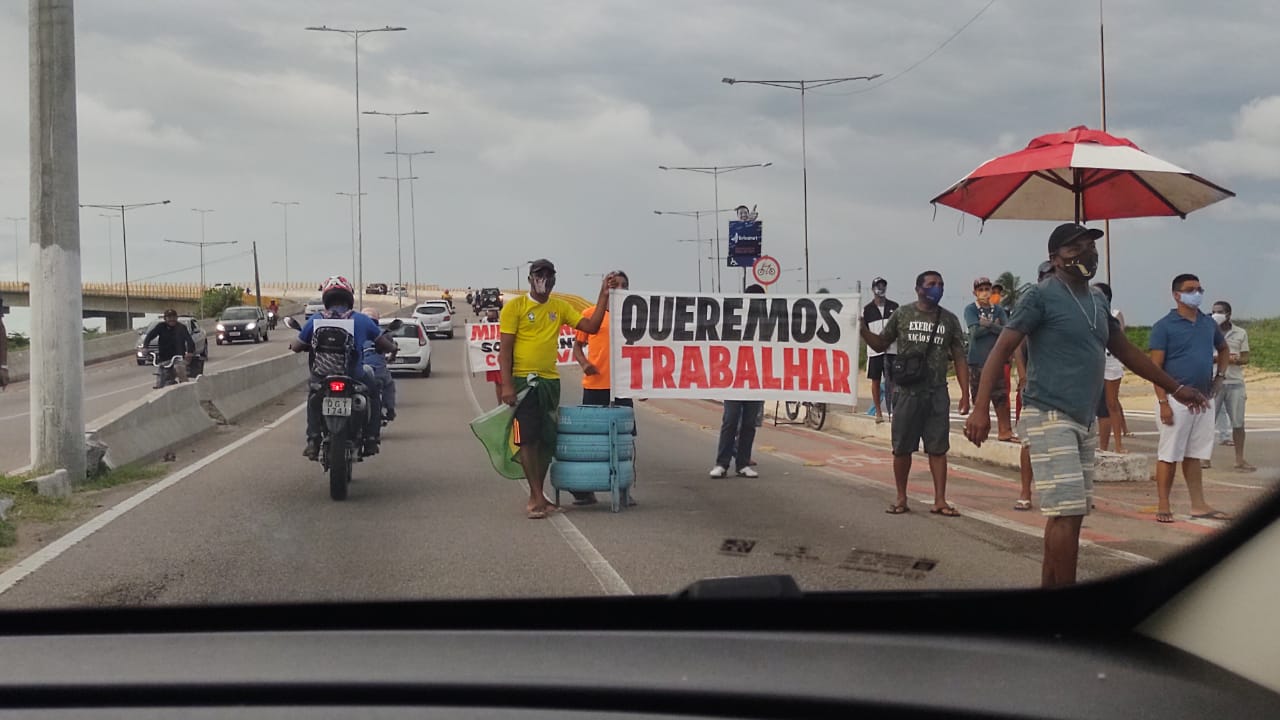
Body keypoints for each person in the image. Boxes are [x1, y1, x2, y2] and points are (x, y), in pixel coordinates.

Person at [965, 224, 1209, 587]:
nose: (1086, 253)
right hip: (1049, 412)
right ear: (1054, 258)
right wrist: (980, 407)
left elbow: (1125, 351)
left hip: (1084, 418)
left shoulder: (1097, 300)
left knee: (1072, 514)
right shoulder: (1040, 295)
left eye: (1091, 246)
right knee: (1067, 511)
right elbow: (1002, 346)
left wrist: (1175, 387)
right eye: (1075, 247)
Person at [499, 260, 617, 519]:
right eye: (539, 275)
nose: (544, 279)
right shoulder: (515, 307)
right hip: (524, 383)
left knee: (546, 439)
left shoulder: (559, 307)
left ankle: (539, 495)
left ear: (554, 280)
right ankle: (535, 498)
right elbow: (505, 350)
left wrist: (603, 294)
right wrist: (506, 384)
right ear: (530, 279)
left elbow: (592, 327)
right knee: (527, 439)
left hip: (550, 382)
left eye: (549, 275)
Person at [860, 270, 970, 517]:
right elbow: (880, 343)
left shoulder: (949, 320)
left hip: (937, 393)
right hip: (907, 392)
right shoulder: (903, 314)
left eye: (941, 284)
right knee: (901, 448)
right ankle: (901, 497)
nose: (937, 288)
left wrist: (966, 393)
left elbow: (960, 357)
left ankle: (940, 500)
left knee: (938, 449)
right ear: (918, 288)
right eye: (932, 284)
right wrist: (861, 330)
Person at [1149, 274, 1232, 523]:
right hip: (1176, 400)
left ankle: (1198, 504)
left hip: (1203, 398)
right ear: (1177, 295)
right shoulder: (1164, 326)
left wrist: (1220, 377)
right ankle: (1164, 504)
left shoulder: (1207, 324)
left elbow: (1224, 349)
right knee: (1169, 454)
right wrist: (1164, 403)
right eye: (1190, 289)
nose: (1197, 293)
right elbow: (1155, 368)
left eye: (1199, 289)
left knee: (1194, 454)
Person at [289, 276, 395, 459]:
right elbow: (384, 344)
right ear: (349, 298)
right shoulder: (361, 320)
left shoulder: (316, 319)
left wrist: (299, 345)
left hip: (322, 376)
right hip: (355, 374)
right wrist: (393, 348)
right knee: (374, 394)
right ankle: (371, 438)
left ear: (326, 298)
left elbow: (297, 346)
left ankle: (313, 441)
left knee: (313, 398)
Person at [570, 270, 638, 506]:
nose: (618, 288)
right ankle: (586, 490)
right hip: (595, 386)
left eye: (623, 285)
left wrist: (644, 383)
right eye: (614, 285)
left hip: (622, 388)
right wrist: (585, 364)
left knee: (624, 441)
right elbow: (577, 347)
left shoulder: (635, 316)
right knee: (592, 442)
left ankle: (623, 489)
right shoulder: (591, 315)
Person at [710, 283, 768, 479]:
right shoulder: (733, 320)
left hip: (756, 379)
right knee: (730, 419)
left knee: (750, 422)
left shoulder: (767, 324)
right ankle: (722, 463)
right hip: (734, 379)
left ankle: (743, 463)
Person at [964, 276, 1014, 441]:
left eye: (987, 289)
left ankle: (1005, 430)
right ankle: (979, 430)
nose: (985, 293)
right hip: (977, 360)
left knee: (1000, 396)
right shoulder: (970, 309)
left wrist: (989, 325)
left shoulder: (998, 310)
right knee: (979, 397)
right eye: (981, 290)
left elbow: (1006, 330)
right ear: (975, 292)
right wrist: (994, 326)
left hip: (995, 359)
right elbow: (975, 332)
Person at [1211, 301, 1254, 472]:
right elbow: (1204, 356)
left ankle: (1239, 459)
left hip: (1235, 383)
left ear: (1228, 314)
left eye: (1219, 312)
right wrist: (1222, 358)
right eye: (1213, 311)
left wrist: (1233, 359)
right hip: (1214, 382)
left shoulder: (1240, 333)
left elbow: (1245, 358)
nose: (1215, 315)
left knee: (1238, 423)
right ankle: (1204, 458)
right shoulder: (1209, 332)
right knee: (1207, 423)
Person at [1092, 283, 1128, 453]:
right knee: (1098, 405)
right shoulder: (1088, 314)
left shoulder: (1115, 314)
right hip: (1096, 361)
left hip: (1111, 361)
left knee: (1111, 403)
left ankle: (1119, 445)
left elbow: (1118, 337)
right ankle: (1102, 446)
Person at [862, 277, 898, 423]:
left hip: (892, 350)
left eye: (883, 285)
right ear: (873, 289)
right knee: (876, 381)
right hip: (874, 351)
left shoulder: (894, 307)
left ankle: (895, 411)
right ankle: (878, 412)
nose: (880, 288)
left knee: (894, 382)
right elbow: (864, 330)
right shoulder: (867, 310)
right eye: (878, 286)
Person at [361, 307, 397, 424]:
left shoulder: (356, 332)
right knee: (389, 384)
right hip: (377, 372)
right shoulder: (382, 334)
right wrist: (392, 356)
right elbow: (392, 348)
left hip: (358, 370)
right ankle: (390, 409)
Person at [482, 307, 504, 405]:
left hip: (503, 356)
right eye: (489, 311)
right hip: (493, 358)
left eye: (493, 311)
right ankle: (500, 403)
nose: (491, 313)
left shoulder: (502, 322)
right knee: (497, 382)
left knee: (506, 381)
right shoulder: (484, 323)